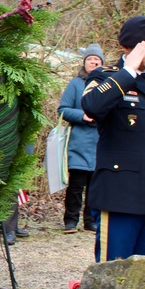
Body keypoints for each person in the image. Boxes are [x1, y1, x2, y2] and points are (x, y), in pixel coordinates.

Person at [81, 17, 145, 261]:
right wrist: (129, 71)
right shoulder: (106, 76)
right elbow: (91, 107)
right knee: (113, 278)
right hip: (119, 197)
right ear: (130, 46)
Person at [58, 44, 104, 233]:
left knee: (95, 186)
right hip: (78, 142)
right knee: (76, 186)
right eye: (90, 59)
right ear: (84, 63)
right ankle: (71, 220)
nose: (93, 62)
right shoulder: (75, 84)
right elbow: (63, 109)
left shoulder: (108, 84)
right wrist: (82, 116)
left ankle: (91, 220)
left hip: (100, 142)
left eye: (97, 60)